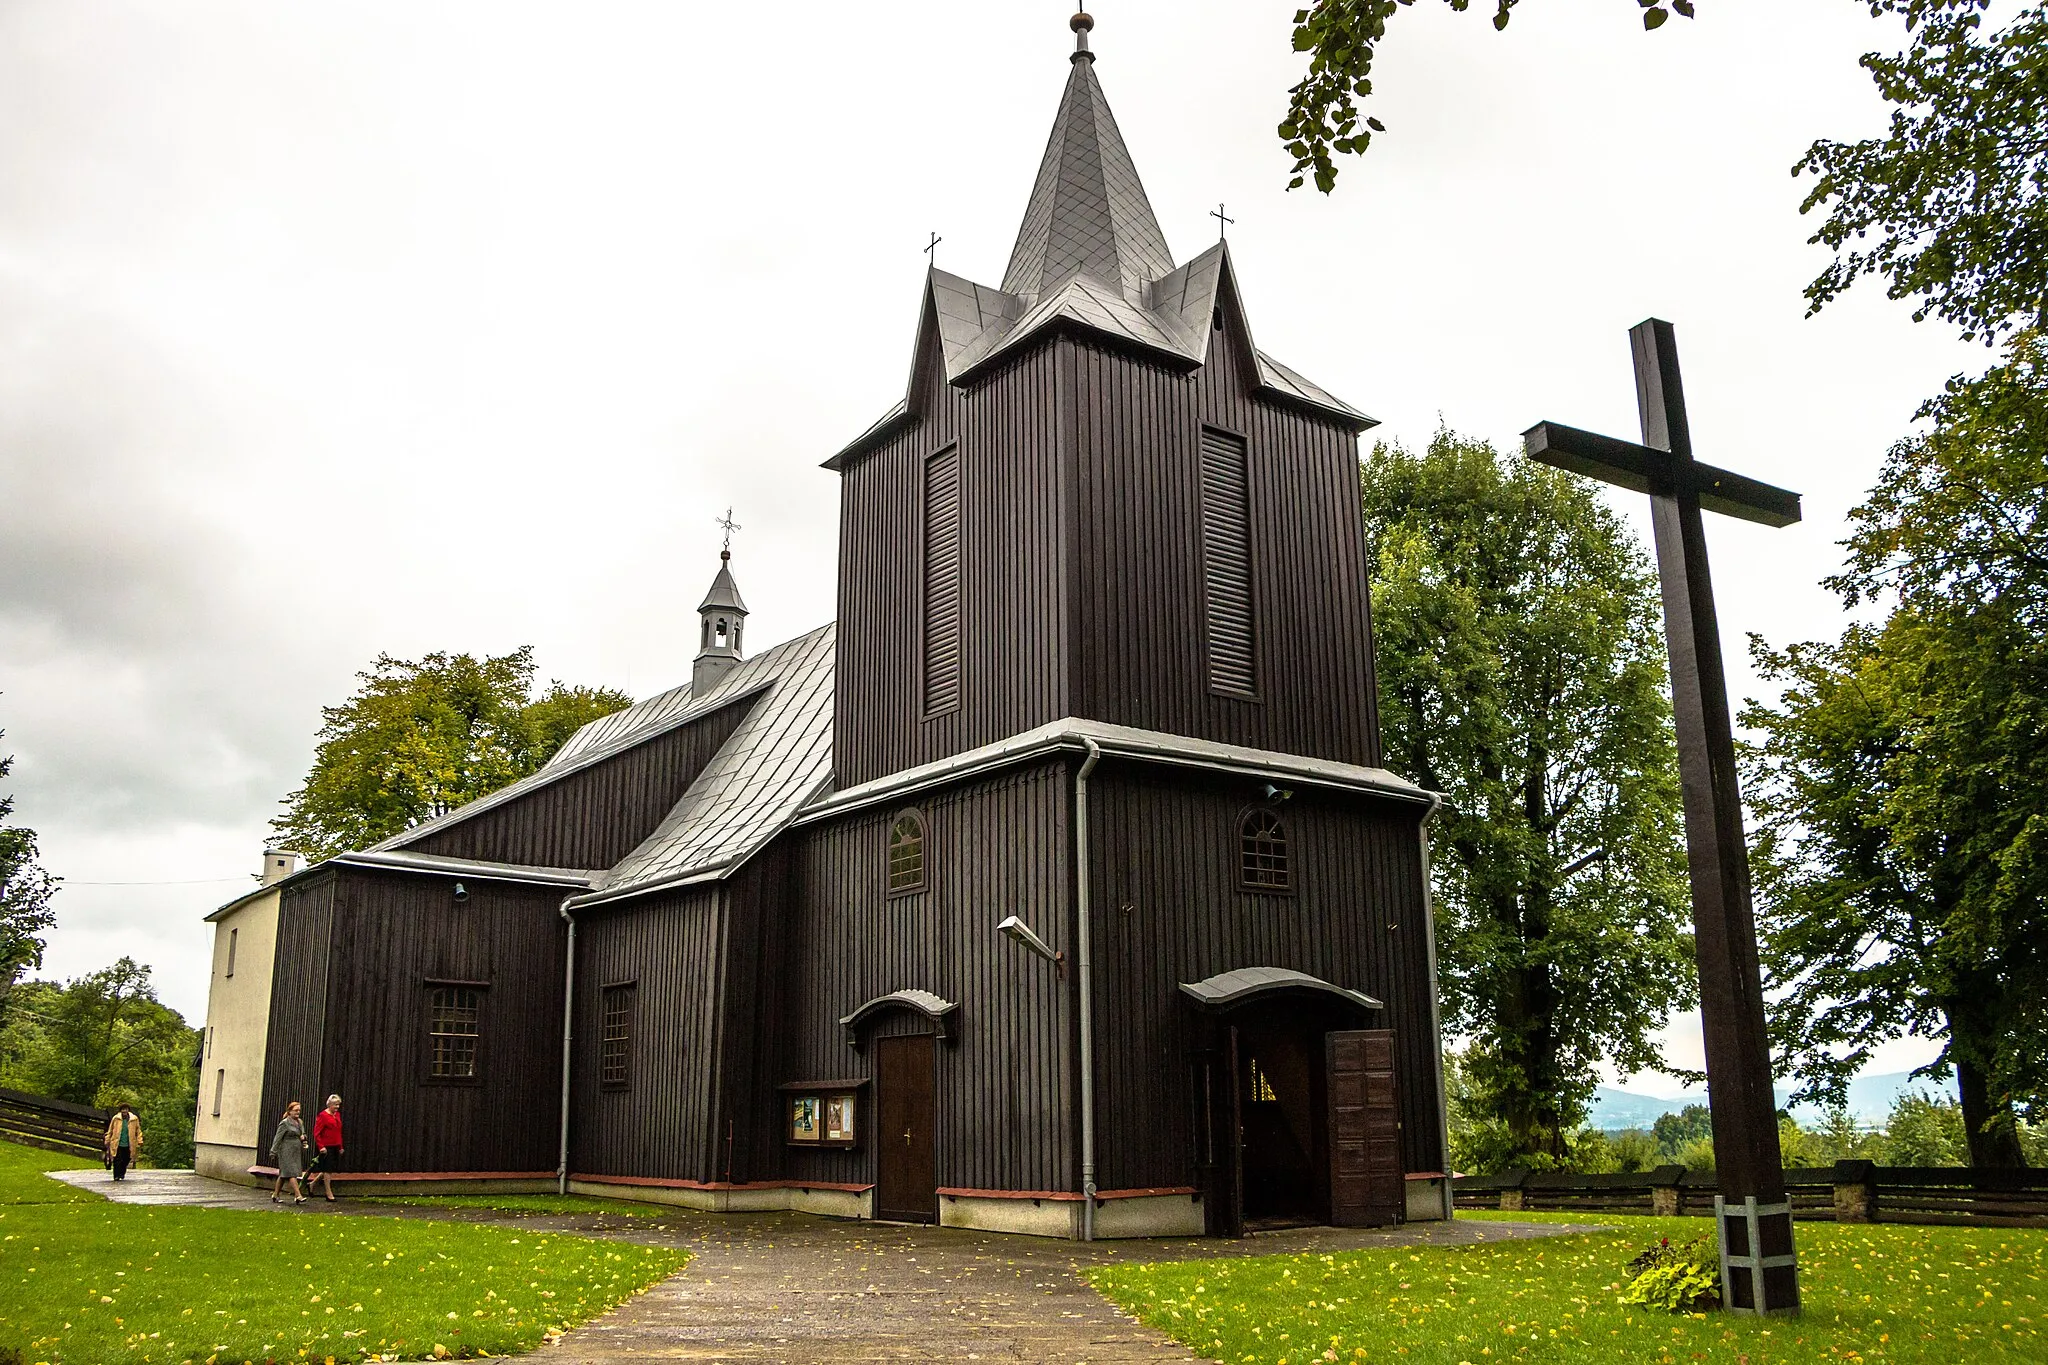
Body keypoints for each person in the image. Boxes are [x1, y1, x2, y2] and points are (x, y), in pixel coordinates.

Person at [269, 1100, 308, 1205]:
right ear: (289, 1111)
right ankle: (298, 1195)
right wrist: (273, 1151)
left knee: (283, 1174)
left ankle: (275, 1194)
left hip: (295, 1150)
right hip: (285, 1150)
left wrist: (303, 1137)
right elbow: (278, 1138)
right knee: (291, 1173)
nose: (298, 1112)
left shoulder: (300, 1122)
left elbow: (303, 1133)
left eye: (299, 1110)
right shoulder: (285, 1123)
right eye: (295, 1110)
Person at [307, 1094, 344, 1201]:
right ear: (329, 1104)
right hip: (326, 1147)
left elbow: (338, 1132)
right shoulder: (322, 1116)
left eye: (338, 1105)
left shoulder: (337, 1115)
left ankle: (312, 1184)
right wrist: (321, 1146)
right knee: (327, 1170)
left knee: (329, 1169)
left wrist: (340, 1146)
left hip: (335, 1145)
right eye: (335, 1105)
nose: (337, 1107)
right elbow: (317, 1133)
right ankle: (328, 1193)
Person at [102, 1103, 143, 1182]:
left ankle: (122, 1173)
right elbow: (110, 1130)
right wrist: (107, 1139)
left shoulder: (134, 1119)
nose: (124, 1111)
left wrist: (139, 1140)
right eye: (123, 1109)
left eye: (126, 1109)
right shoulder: (116, 1118)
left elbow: (138, 1130)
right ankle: (116, 1175)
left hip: (129, 1143)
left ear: (128, 1110)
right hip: (117, 1142)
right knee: (117, 1159)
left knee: (126, 1159)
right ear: (120, 1110)